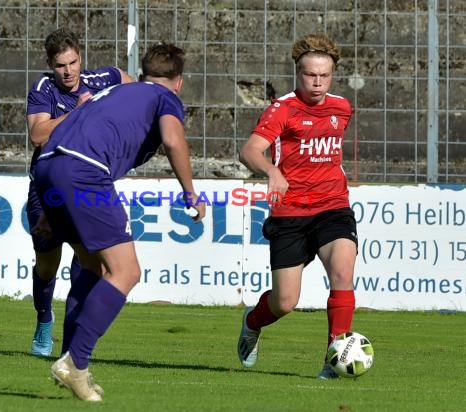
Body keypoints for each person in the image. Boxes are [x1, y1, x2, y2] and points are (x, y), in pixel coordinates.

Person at [33, 43, 206, 401]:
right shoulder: (165, 97)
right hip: (83, 171)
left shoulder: (113, 91)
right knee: (126, 272)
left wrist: (52, 207)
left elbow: (62, 135)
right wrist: (191, 193)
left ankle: (71, 361)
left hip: (49, 167)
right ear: (179, 82)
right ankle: (75, 362)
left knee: (92, 267)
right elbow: (174, 141)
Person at [236, 33, 357, 380]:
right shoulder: (282, 109)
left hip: (333, 206)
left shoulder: (342, 108)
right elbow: (249, 151)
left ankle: (334, 360)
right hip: (290, 213)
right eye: (310, 75)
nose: (317, 83)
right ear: (298, 73)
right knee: (285, 302)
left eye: (324, 76)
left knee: (342, 274)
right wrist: (272, 171)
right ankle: (252, 321)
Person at [26, 27, 133, 357]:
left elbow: (131, 84)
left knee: (90, 260)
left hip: (84, 187)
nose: (68, 71)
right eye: (61, 65)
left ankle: (72, 342)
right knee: (47, 265)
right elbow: (37, 134)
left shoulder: (100, 80)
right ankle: (44, 318)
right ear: (51, 65)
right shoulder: (44, 88)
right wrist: (79, 113)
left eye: (73, 62)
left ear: (81, 58)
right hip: (47, 189)